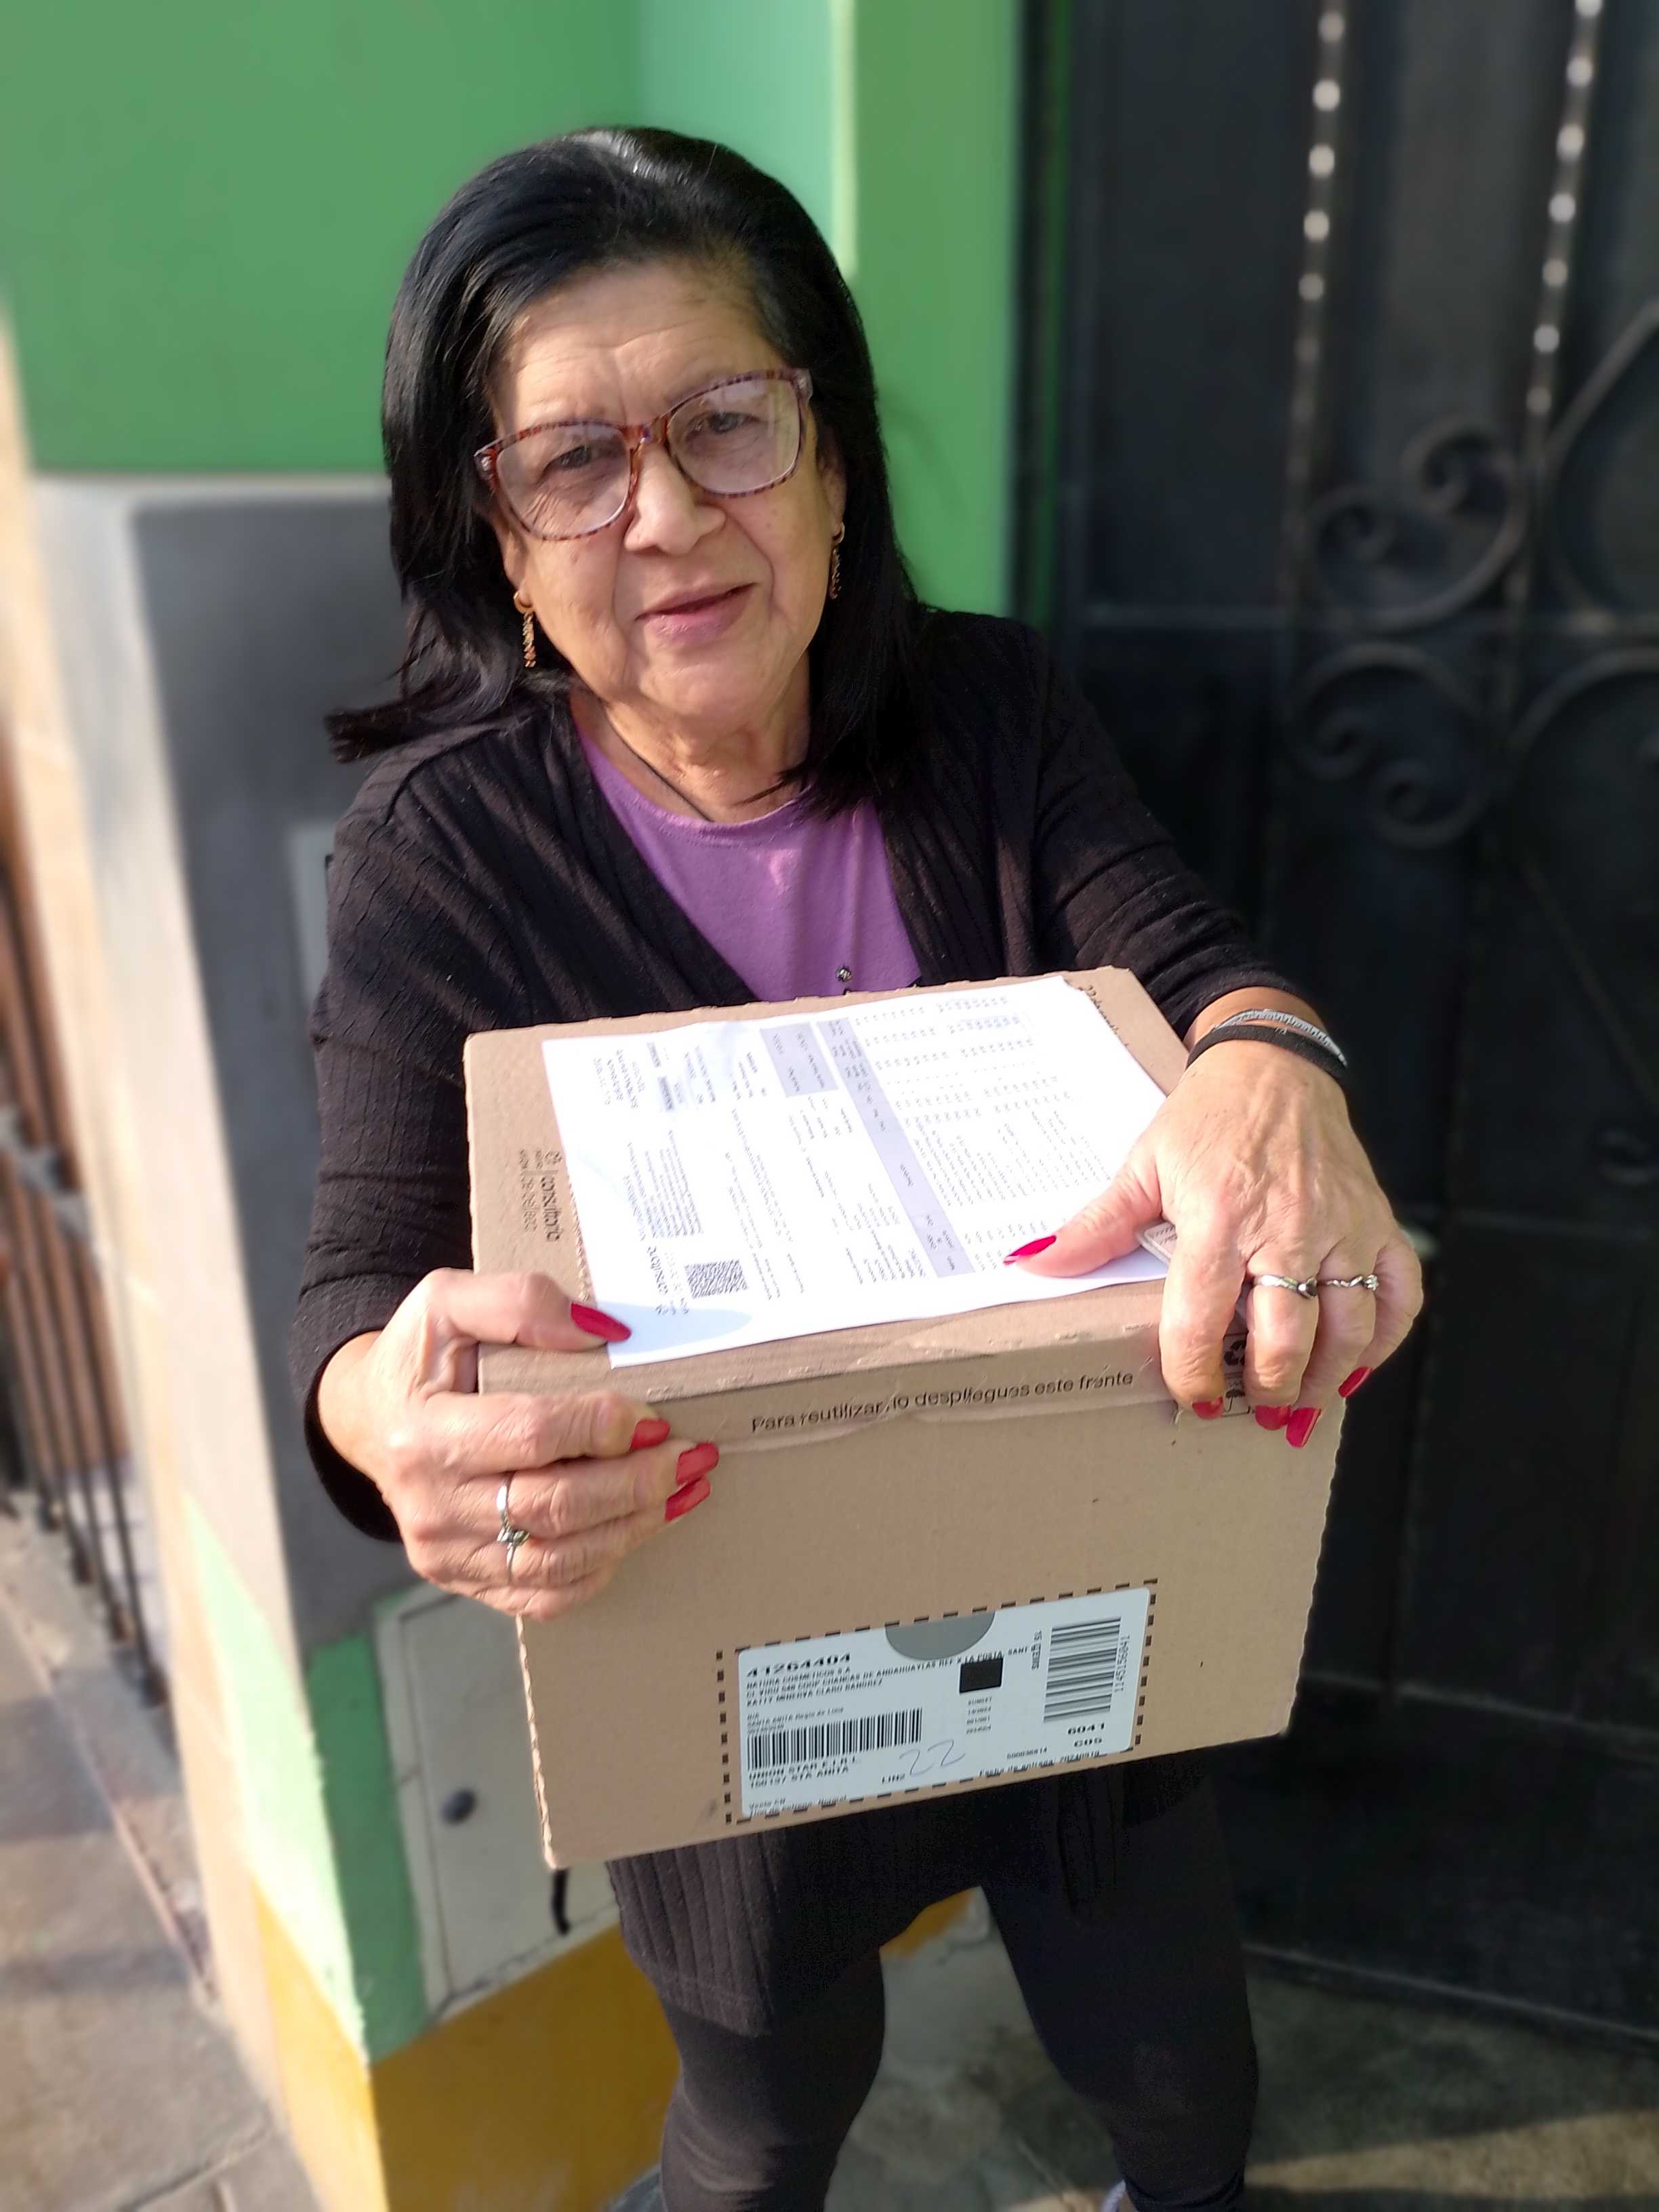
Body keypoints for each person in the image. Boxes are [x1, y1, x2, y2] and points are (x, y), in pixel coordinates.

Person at [291, 129, 1422, 2212]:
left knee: (1179, 2071)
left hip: (1078, 1598)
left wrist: (1276, 1064)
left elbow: (1183, 960)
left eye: (727, 422)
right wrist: (393, 1420)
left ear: (827, 458)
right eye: (574, 463)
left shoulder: (988, 711)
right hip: (731, 1671)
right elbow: (365, 1279)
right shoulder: (441, 857)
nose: (665, 515)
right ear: (499, 537)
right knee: (759, 2131)